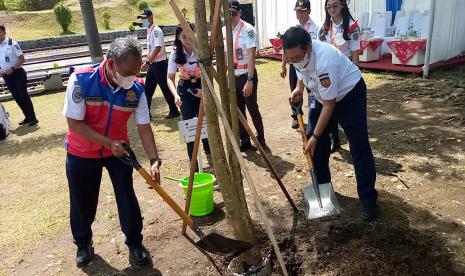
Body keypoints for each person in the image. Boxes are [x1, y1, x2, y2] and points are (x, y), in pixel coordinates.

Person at [62, 37, 161, 267]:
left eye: (136, 72)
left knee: (126, 196)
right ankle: (83, 244)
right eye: (127, 72)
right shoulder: (81, 80)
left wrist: (155, 160)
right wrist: (108, 142)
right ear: (110, 63)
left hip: (118, 153)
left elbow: (144, 127)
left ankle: (135, 243)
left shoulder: (137, 89)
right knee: (81, 201)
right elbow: (74, 124)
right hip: (81, 152)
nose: (132, 78)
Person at [282, 26, 378, 221]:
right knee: (315, 148)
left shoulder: (325, 60)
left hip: (349, 95)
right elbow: (301, 71)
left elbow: (329, 104)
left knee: (358, 146)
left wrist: (316, 137)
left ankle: (368, 199)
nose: (293, 61)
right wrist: (298, 88)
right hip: (322, 96)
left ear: (308, 47)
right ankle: (324, 192)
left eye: (297, 57)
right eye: (289, 58)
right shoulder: (296, 54)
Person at [223, 0, 265, 151]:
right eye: (229, 14)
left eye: (234, 14)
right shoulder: (225, 30)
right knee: (238, 109)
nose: (232, 17)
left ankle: (260, 137)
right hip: (233, 75)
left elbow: (252, 54)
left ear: (240, 13)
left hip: (246, 74)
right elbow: (226, 55)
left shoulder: (248, 29)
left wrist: (250, 79)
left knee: (252, 106)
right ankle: (245, 139)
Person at [167, 23, 210, 164]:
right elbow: (170, 78)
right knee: (189, 126)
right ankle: (194, 163)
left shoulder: (200, 48)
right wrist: (176, 95)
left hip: (201, 85)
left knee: (205, 121)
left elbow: (209, 72)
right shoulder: (175, 52)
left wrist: (204, 90)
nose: (187, 39)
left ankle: (210, 151)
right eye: (183, 36)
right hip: (184, 89)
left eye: (189, 35)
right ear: (178, 37)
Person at [280, 0, 318, 130]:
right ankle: (297, 115)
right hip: (295, 65)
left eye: (302, 10)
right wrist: (283, 65)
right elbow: (285, 48)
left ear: (308, 11)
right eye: (297, 11)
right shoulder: (292, 27)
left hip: (309, 66)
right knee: (294, 90)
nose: (299, 13)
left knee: (312, 91)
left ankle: (313, 112)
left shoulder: (314, 28)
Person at [139, 8, 180, 119]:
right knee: (147, 89)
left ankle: (174, 110)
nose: (143, 21)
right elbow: (152, 49)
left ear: (150, 17)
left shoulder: (156, 31)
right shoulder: (149, 30)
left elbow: (157, 48)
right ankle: (146, 113)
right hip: (153, 65)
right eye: (142, 19)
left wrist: (147, 62)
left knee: (166, 88)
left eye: (144, 18)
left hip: (160, 64)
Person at [0, 25, 38, 126]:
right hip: (6, 76)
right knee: (17, 97)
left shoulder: (12, 43)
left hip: (17, 73)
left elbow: (22, 60)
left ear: (4, 32)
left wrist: (12, 69)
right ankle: (27, 116)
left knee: (23, 95)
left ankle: (33, 118)